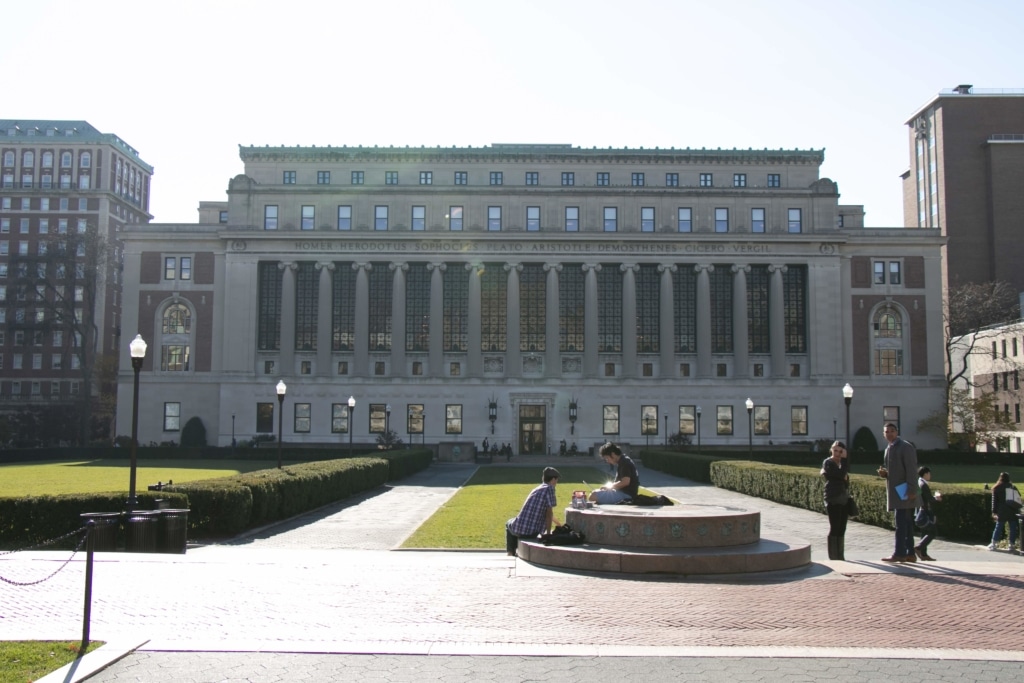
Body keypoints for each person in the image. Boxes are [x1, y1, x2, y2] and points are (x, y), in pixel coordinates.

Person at [877, 422, 919, 562]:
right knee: (906, 523)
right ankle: (910, 553)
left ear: (897, 432)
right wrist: (885, 474)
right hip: (896, 489)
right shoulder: (889, 448)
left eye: (892, 431)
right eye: (886, 432)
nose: (889, 434)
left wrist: (912, 489)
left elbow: (912, 469)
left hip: (904, 489)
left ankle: (899, 553)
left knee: (901, 523)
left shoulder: (905, 447)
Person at [506, 467, 560, 556]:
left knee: (509, 524)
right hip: (532, 532)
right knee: (509, 523)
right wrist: (549, 534)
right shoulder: (550, 489)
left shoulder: (538, 488)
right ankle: (511, 552)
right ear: (553, 479)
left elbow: (548, 513)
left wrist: (559, 524)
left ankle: (510, 552)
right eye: (557, 480)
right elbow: (549, 513)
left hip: (521, 528)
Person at [820, 440, 850, 560]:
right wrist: (844, 461)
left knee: (842, 526)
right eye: (835, 450)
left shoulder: (842, 463)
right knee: (835, 526)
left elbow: (846, 481)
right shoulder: (828, 462)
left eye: (840, 451)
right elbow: (839, 475)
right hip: (832, 497)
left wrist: (843, 469)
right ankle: (833, 556)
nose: (837, 453)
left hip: (843, 498)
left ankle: (840, 555)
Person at [987, 472, 1021, 553]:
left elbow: (994, 501)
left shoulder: (997, 488)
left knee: (999, 527)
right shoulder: (1012, 487)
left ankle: (994, 543)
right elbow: (1018, 497)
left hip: (1002, 510)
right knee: (1013, 528)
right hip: (1012, 509)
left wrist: (994, 512)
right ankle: (1011, 545)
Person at [914, 466, 941, 561]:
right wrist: (937, 498)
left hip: (921, 511)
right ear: (925, 474)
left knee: (924, 532)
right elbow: (929, 499)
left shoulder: (919, 482)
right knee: (933, 532)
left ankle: (923, 554)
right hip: (925, 512)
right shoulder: (923, 485)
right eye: (929, 473)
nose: (930, 475)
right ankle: (918, 547)